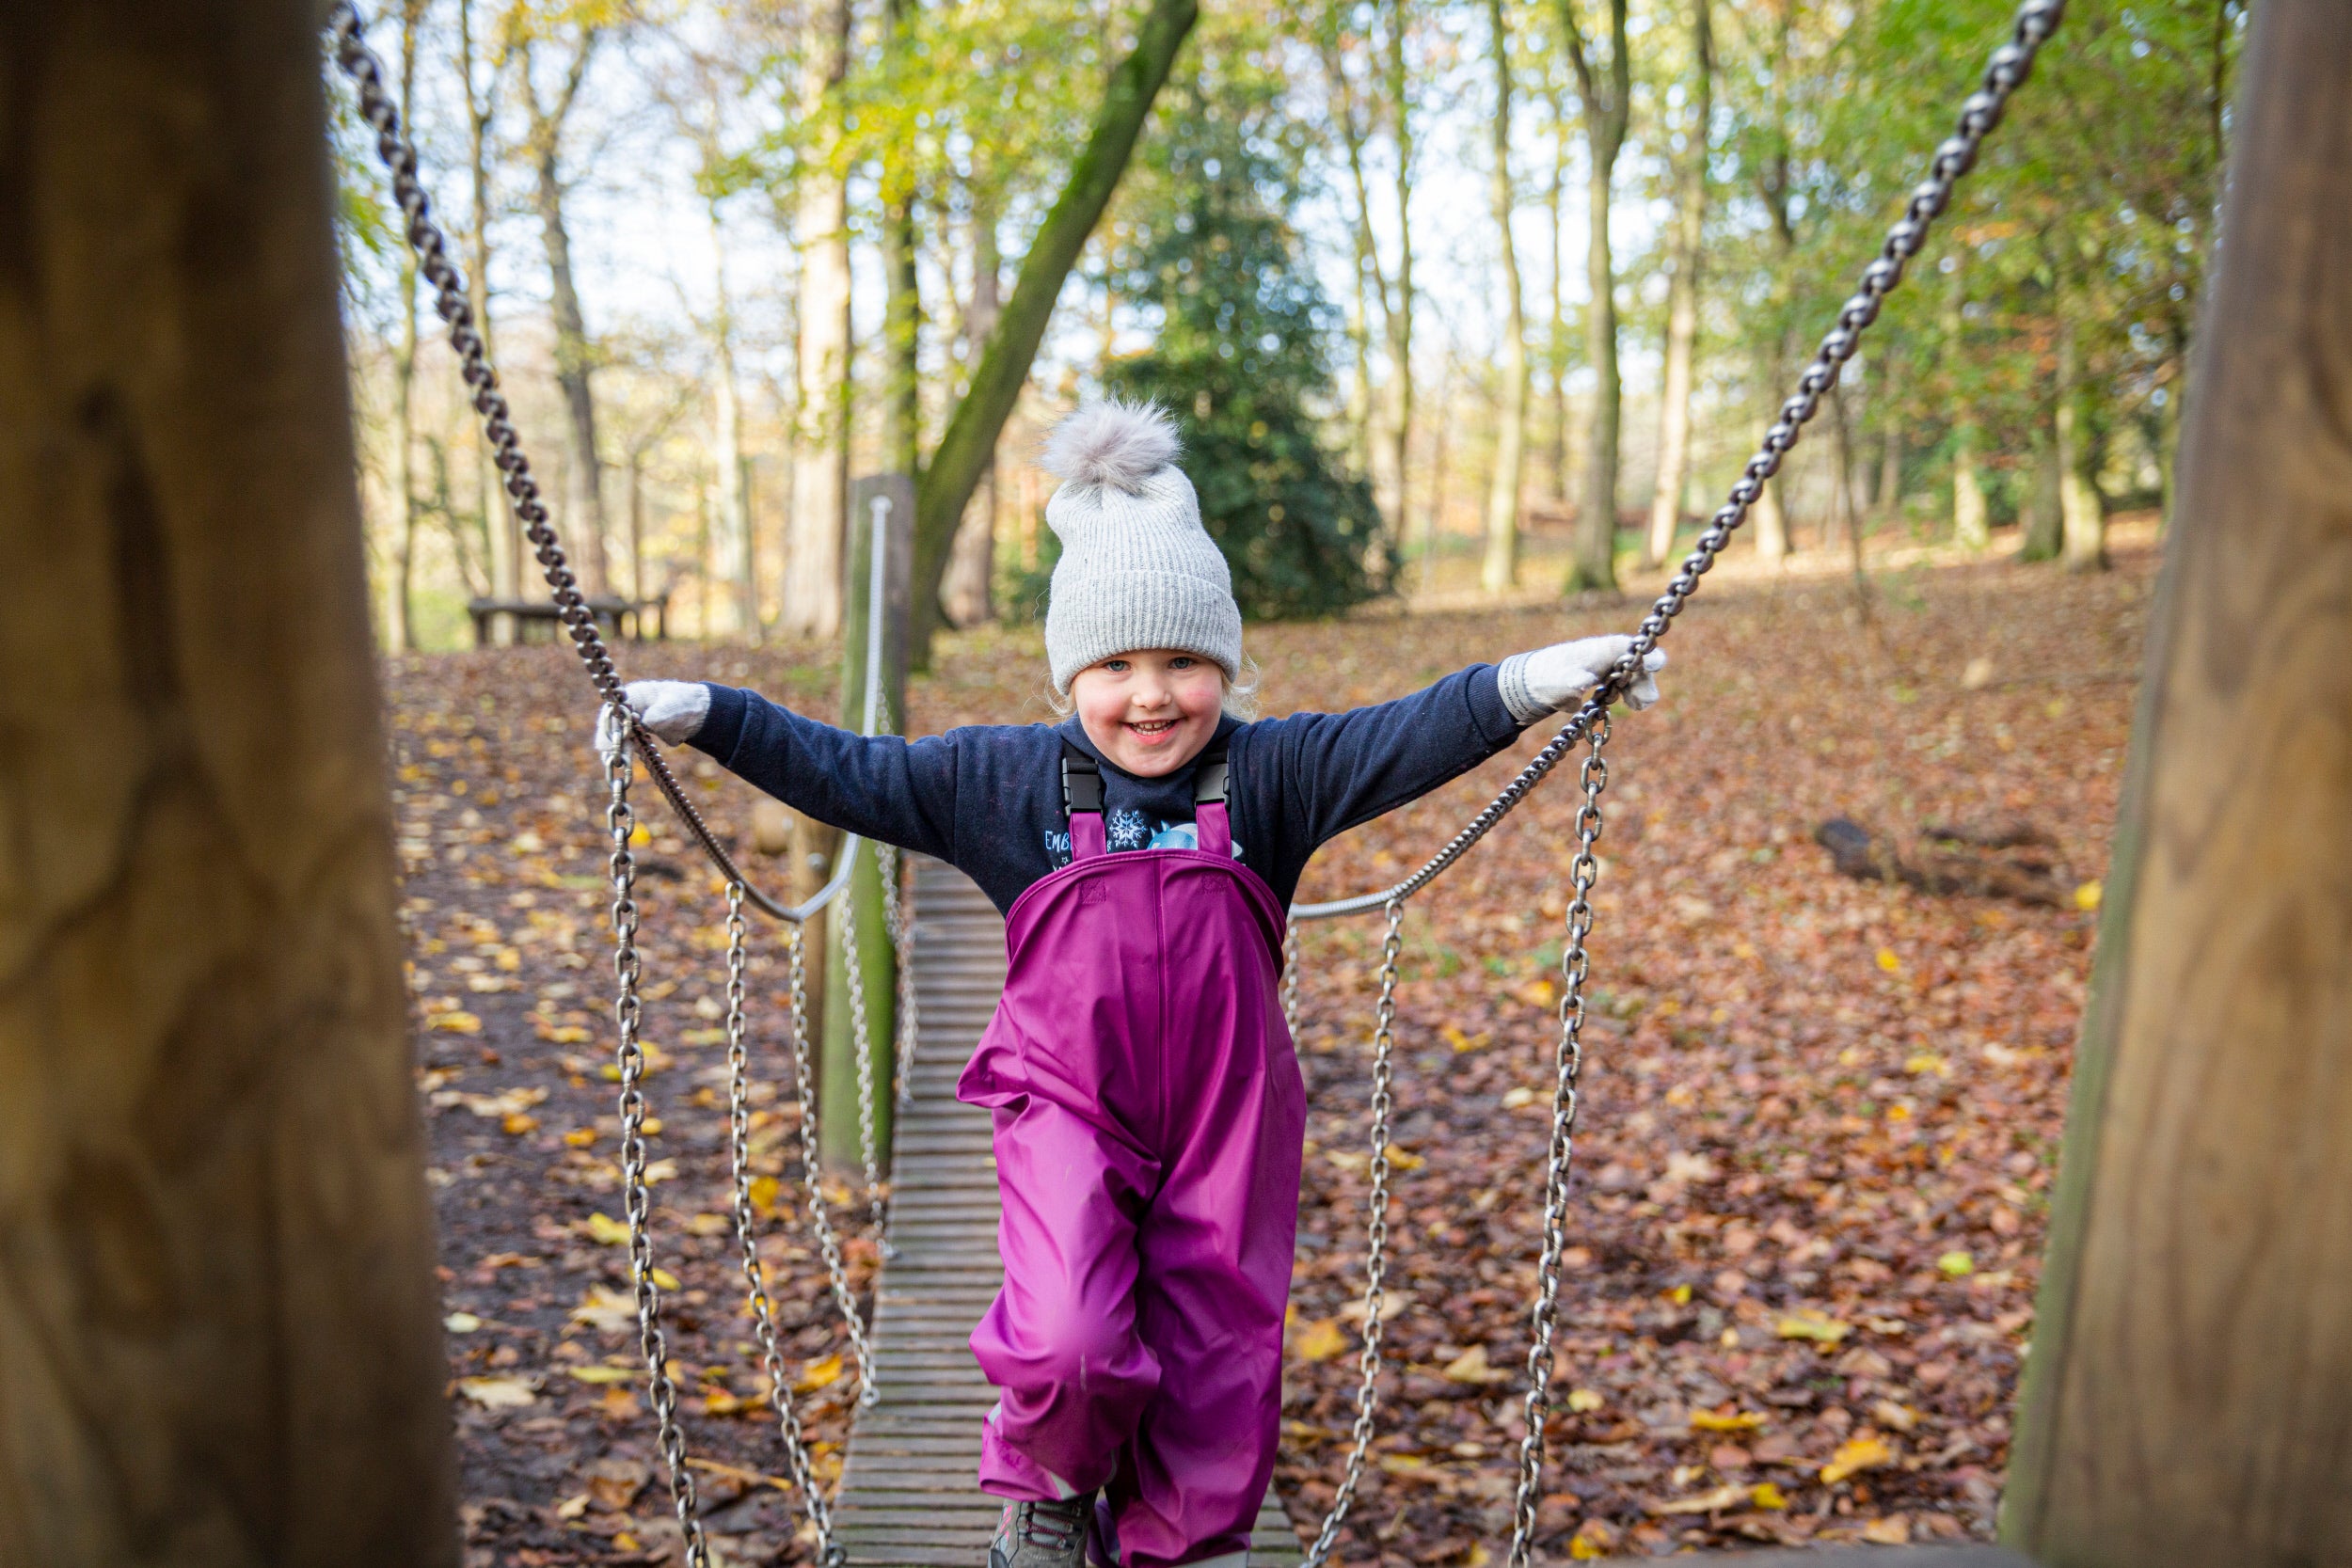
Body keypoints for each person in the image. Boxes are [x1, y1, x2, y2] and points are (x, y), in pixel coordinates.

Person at [599, 401, 1663, 1568]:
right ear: (1072, 672)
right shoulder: (1000, 782)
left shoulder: (1271, 775)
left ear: (1225, 665)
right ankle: (1050, 1497)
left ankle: (1168, 1550)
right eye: (1115, 663)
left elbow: (1408, 732)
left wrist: (1533, 680)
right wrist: (712, 716)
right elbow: (848, 770)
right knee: (1067, 1338)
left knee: (1216, 1368)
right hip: (1068, 1100)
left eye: (1184, 662)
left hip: (1227, 1114)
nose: (1150, 694)